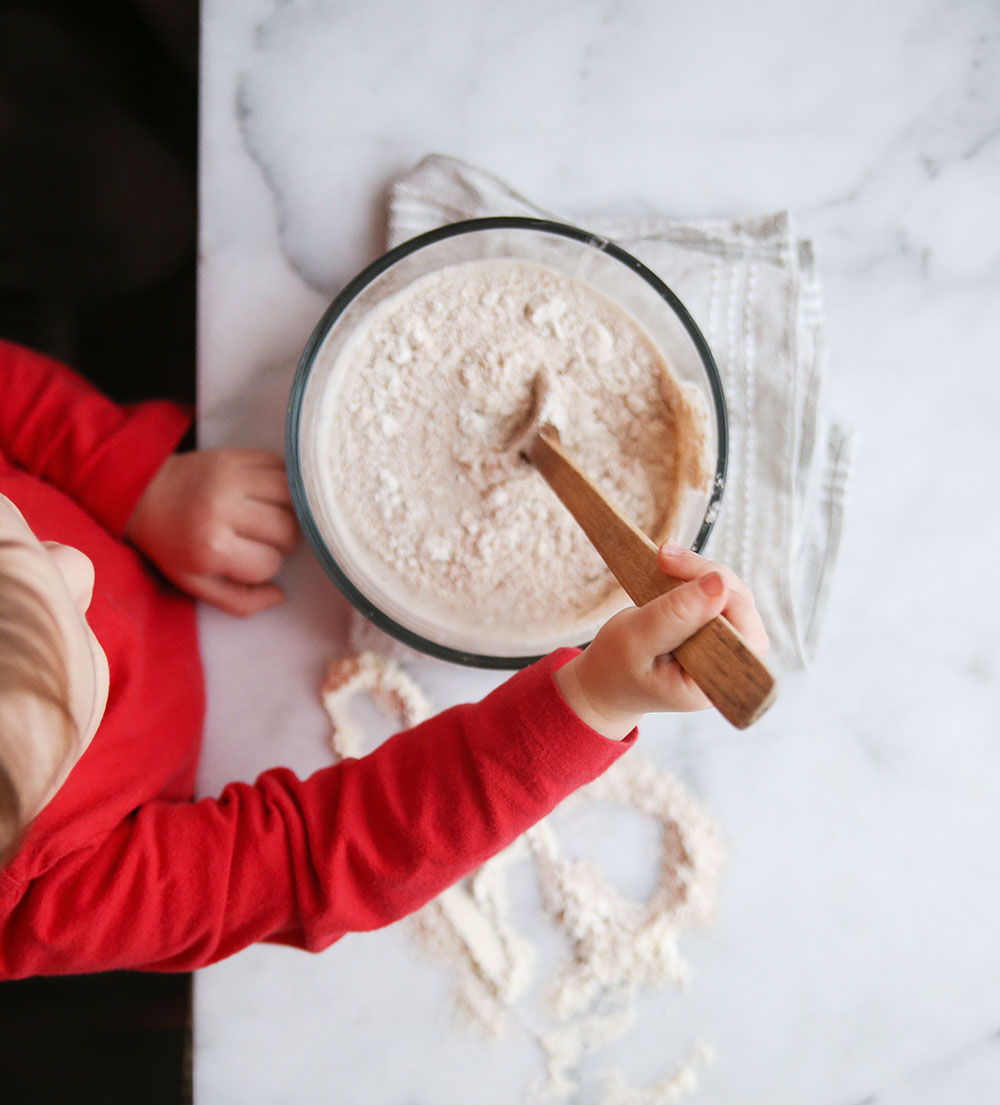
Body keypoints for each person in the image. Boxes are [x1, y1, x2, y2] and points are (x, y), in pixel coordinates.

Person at [0, 339, 768, 979]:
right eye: (70, 620)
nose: (79, 566)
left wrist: (134, 480)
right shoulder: (49, 899)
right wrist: (594, 702)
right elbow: (308, 861)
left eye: (20, 541)